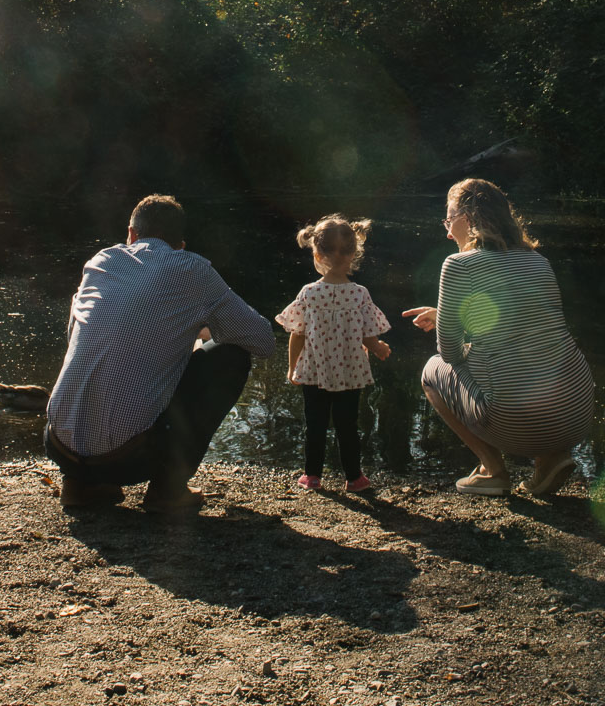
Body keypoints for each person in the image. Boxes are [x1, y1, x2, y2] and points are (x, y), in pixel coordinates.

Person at [45, 194, 276, 514]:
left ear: (131, 234)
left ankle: (80, 484)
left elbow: (75, 335)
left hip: (58, 446)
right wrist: (203, 332)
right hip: (128, 459)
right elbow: (263, 341)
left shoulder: (100, 262)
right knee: (231, 357)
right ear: (180, 244)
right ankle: (167, 490)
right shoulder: (193, 269)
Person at [402, 178, 594, 497]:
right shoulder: (538, 261)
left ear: (468, 218)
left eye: (449, 220)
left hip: (515, 419)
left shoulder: (458, 265)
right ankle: (552, 457)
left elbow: (450, 353)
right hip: (576, 409)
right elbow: (521, 327)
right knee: (526, 365)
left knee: (431, 371)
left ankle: (493, 471)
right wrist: (448, 315)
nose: (448, 232)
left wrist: (448, 326)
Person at [275, 215, 392, 493]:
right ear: (353, 254)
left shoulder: (310, 293)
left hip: (314, 370)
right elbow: (366, 332)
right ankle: (354, 478)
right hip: (350, 371)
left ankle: (312, 476)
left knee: (314, 424)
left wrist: (292, 369)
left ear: (317, 253)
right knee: (347, 425)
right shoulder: (359, 294)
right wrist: (377, 347)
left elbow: (297, 334)